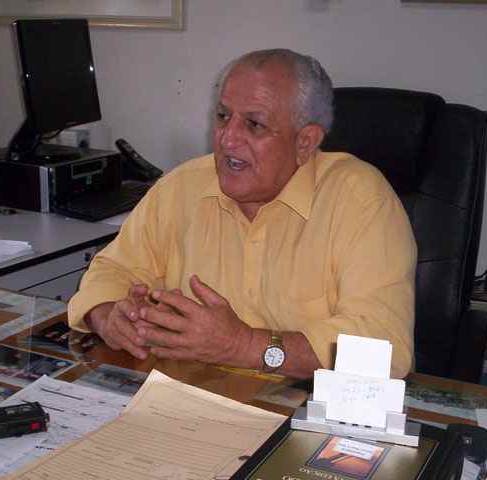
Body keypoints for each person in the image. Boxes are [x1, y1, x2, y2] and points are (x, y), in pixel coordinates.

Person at [68, 49, 416, 379]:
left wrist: (244, 345)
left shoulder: (360, 200)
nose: (227, 139)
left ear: (305, 142)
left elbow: (385, 348)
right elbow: (111, 269)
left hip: (305, 406)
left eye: (254, 125)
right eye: (223, 117)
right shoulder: (181, 187)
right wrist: (107, 315)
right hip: (187, 400)